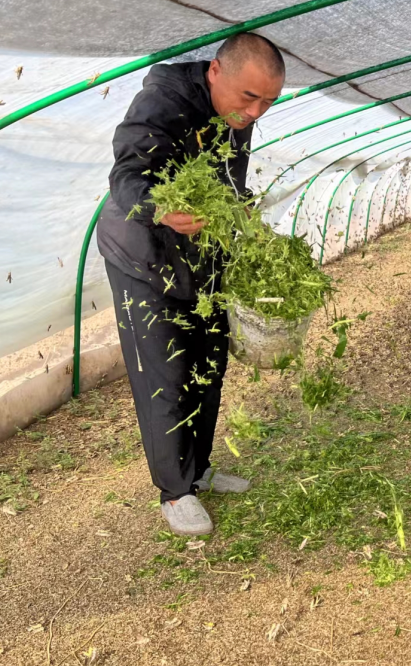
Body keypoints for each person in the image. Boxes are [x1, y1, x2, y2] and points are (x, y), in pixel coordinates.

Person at [96, 33, 286, 535]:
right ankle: (175, 493)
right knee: (166, 373)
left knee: (208, 363)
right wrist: (161, 207)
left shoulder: (237, 114)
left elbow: (227, 178)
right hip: (143, 254)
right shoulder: (164, 100)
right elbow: (127, 174)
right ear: (216, 72)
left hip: (200, 255)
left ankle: (198, 471)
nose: (256, 112)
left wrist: (239, 206)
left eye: (269, 102)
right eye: (250, 97)